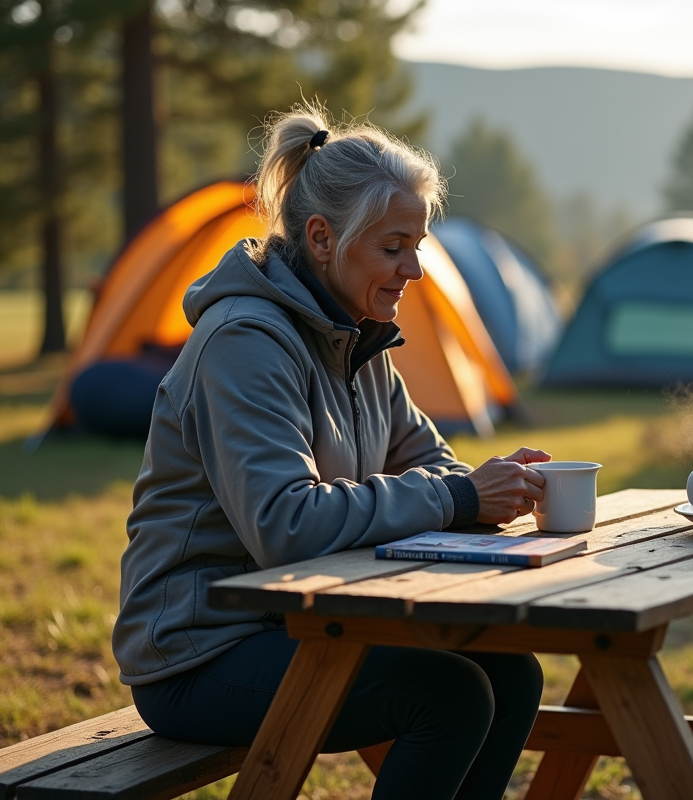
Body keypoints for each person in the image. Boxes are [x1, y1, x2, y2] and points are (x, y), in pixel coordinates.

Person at [112, 102, 550, 800]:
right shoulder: (244, 343)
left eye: (419, 245)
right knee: (447, 694)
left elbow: (432, 465)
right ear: (322, 238)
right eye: (393, 247)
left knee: (511, 672)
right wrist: (464, 496)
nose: (415, 269)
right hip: (200, 650)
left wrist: (486, 488)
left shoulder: (360, 341)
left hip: (298, 624)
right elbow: (287, 524)